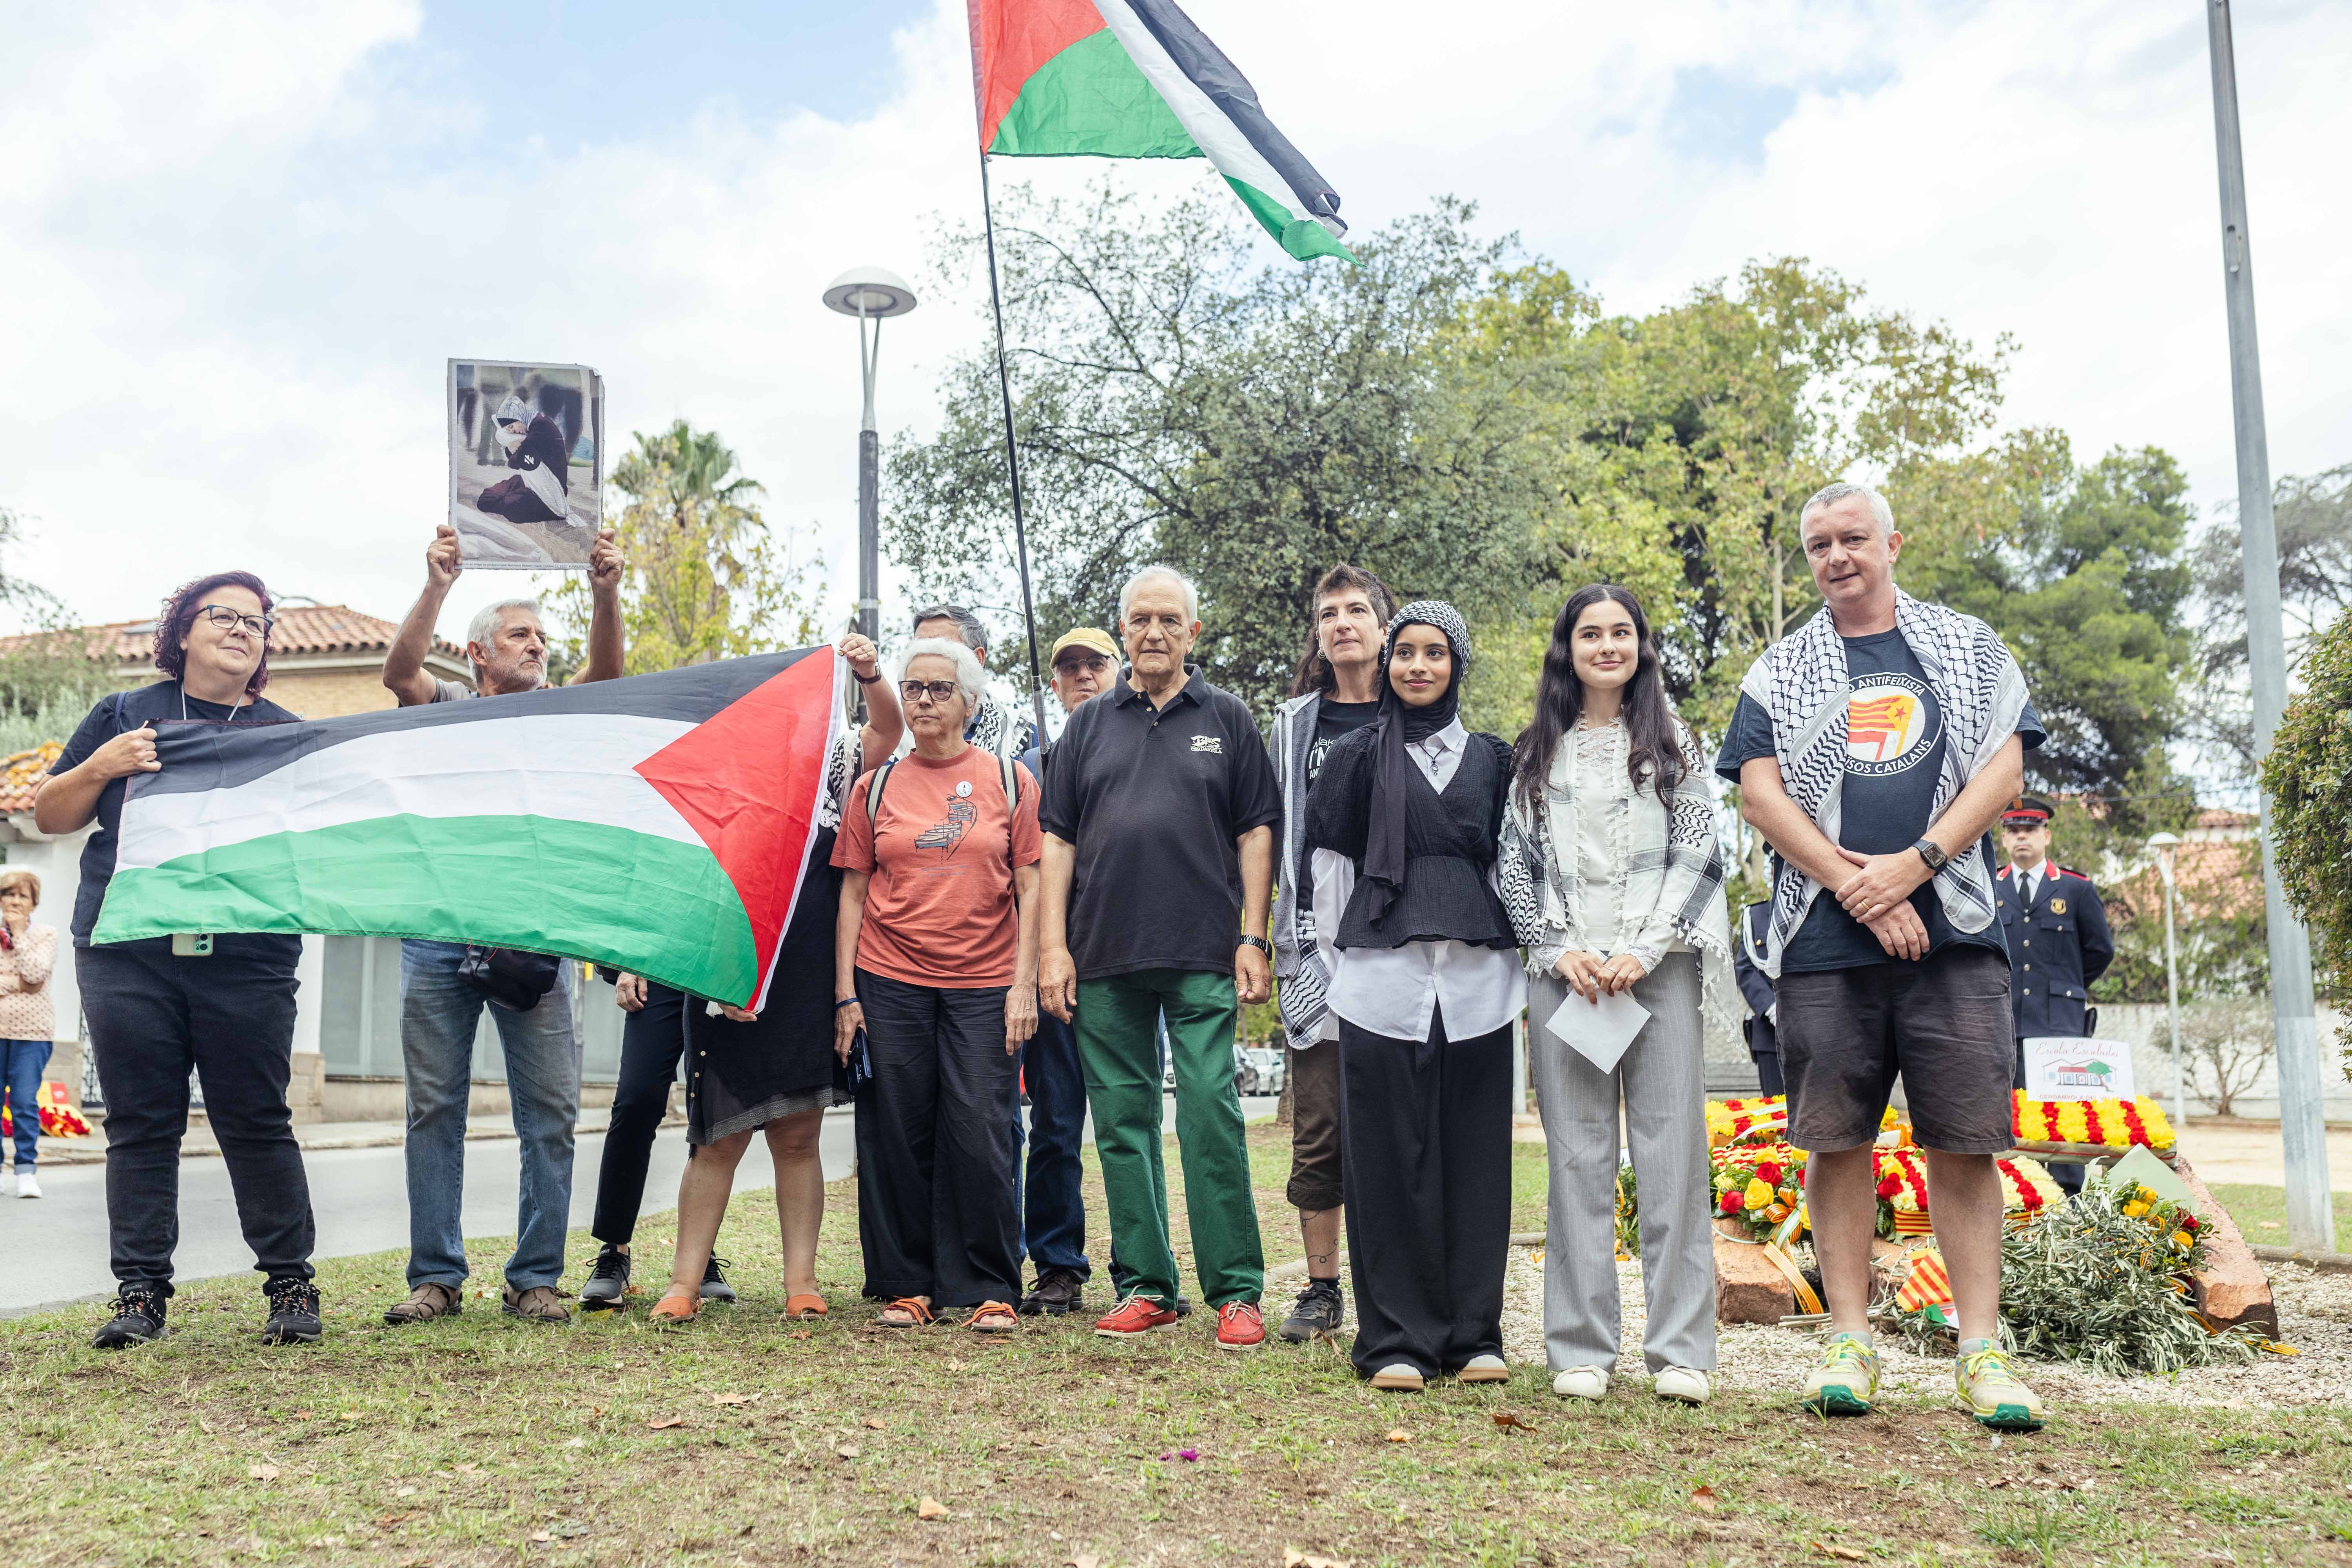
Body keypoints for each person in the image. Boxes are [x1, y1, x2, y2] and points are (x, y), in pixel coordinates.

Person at [1717, 481, 2047, 1431]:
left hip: (1955, 928)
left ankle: (1981, 1348)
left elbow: (2005, 768)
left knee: (1964, 1136)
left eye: (1853, 537)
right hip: (1822, 937)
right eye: (1818, 543)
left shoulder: (1968, 646)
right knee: (1835, 1136)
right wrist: (1858, 885)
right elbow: (1760, 793)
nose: (1836, 556)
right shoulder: (1781, 668)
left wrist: (1916, 866)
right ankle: (1849, 1340)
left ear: (1892, 541)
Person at [36, 573, 322, 1347]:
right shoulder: (127, 715)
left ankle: (291, 1283)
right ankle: (140, 1294)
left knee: (256, 1116)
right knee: (139, 1121)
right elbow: (50, 812)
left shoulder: (286, 733)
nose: (241, 629)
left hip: (248, 955)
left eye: (256, 622)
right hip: (130, 950)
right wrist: (105, 766)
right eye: (223, 615)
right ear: (184, 632)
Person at [579, 632, 900, 1312]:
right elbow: (666, 874)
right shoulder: (706, 770)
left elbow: (888, 729)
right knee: (715, 1134)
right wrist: (679, 968)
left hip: (803, 978)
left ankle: (801, 1286)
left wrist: (870, 673)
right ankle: (679, 1283)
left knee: (798, 1133)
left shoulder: (836, 763)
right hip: (717, 975)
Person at [377, 521, 625, 1327]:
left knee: (550, 1111)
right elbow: (399, 671)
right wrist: (438, 583)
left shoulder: (559, 712)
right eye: (521, 634)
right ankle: (436, 1277)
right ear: (480, 654)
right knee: (433, 1107)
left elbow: (612, 673)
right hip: (437, 932)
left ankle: (536, 1277)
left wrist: (605, 589)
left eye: (544, 637)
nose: (538, 646)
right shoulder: (445, 705)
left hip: (535, 936)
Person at [1498, 584, 1735, 1405]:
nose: (1607, 645)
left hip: (1656, 971)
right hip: (1566, 977)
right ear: (1568, 648)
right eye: (1590, 633)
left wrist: (1644, 946)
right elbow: (1515, 865)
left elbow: (1702, 852)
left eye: (1621, 632)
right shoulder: (1537, 750)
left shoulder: (1678, 744)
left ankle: (1681, 1350)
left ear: (1641, 645)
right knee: (1576, 1160)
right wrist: (1561, 948)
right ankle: (1580, 1346)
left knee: (1673, 1161)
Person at [1038, 566, 1281, 1350]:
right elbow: (1056, 840)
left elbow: (1256, 832)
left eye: (1168, 619)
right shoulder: (1087, 726)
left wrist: (1254, 934)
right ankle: (1147, 1284)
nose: (1153, 632)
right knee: (1121, 1120)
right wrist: (1051, 947)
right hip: (1103, 953)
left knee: (1211, 1110)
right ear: (1124, 629)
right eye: (1139, 618)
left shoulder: (1230, 718)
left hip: (1204, 950)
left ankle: (1236, 1291)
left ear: (1193, 633)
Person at [1305, 602, 1523, 1391]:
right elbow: (1330, 870)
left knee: (1475, 1163)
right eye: (1406, 652)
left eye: (1436, 653)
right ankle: (1394, 1338)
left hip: (1479, 986)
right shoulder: (1357, 757)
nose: (1419, 666)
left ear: (1457, 665)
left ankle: (1474, 1336)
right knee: (1386, 1164)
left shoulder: (1495, 759)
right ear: (1390, 663)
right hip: (1378, 986)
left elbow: (1508, 869)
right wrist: (1343, 965)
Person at [829, 638, 1042, 1331]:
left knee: (981, 1131)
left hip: (985, 982)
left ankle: (989, 1286)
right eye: (913, 687)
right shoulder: (877, 786)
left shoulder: (1010, 780)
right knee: (897, 1131)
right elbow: (853, 895)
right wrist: (846, 995)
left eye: (938, 689)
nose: (922, 699)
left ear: (971, 703)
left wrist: (1024, 984)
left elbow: (1032, 886)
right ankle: (907, 1285)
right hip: (890, 981)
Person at [1265, 563, 1395, 1343]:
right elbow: (1271, 835)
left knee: (1395, 1115)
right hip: (1314, 944)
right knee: (1320, 1123)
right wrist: (1263, 934)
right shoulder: (1292, 724)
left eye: (1356, 609)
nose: (1342, 621)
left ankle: (1393, 1279)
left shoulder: (1417, 704)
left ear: (1385, 623)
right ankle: (1321, 1287)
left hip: (1399, 941)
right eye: (1328, 612)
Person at [1011, 626, 1121, 1317]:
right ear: (1053, 685)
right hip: (1056, 964)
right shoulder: (1032, 765)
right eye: (1069, 668)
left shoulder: (1145, 746)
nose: (1082, 676)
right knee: (1055, 1122)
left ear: (1120, 673)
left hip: (1129, 964)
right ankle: (1057, 1264)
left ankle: (1144, 1267)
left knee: (1130, 1122)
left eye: (1094, 665)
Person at [1995, 793, 2113, 1196]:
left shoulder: (2077, 889)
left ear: (2047, 834)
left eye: (2030, 829)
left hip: (2059, 1024)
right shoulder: (1989, 889)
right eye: (2013, 830)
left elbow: (2101, 950)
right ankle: (2017, 1195)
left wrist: (2067, 988)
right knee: (2009, 1112)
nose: (2021, 837)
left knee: (2062, 1114)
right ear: (2004, 838)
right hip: (2003, 1021)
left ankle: (2068, 1198)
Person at [909, 604, 1036, 761]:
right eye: (919, 649)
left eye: (943, 650)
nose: (928, 659)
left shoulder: (1019, 732)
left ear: (978, 659)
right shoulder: (891, 735)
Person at [0, 871, 58, 1200]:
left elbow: (37, 973)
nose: (16, 901)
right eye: (9, 894)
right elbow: (28, 982)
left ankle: (26, 1172)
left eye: (23, 896)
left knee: (23, 1102)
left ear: (34, 903)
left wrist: (20, 934)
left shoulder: (45, 935)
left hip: (32, 1034)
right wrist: (20, 986)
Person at [475, 392, 574, 525]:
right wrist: (512, 448)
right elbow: (517, 451)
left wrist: (512, 455)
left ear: (519, 417)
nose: (513, 432)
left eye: (512, 427)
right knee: (486, 499)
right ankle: (513, 497)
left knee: (510, 505)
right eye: (509, 430)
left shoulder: (541, 426)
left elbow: (519, 460)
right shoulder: (530, 428)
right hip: (531, 483)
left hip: (550, 495)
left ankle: (513, 500)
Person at [1733, 900, 1786, 1096]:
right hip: (1770, 1034)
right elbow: (1745, 969)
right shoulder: (1756, 915)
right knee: (1776, 1113)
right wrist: (1771, 1008)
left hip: (1821, 1028)